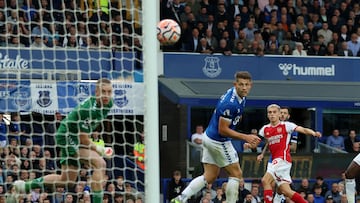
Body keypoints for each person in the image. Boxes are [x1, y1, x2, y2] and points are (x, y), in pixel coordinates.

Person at [13, 78, 114, 203]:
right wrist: (100, 149)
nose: (107, 95)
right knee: (100, 163)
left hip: (76, 136)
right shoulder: (87, 110)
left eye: (109, 92)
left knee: (67, 180)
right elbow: (83, 139)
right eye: (103, 92)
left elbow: (84, 135)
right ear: (97, 92)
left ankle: (24, 186)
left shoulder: (109, 104)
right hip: (67, 135)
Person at [171, 71, 261, 203]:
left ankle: (180, 198)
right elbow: (223, 130)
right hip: (218, 141)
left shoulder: (239, 96)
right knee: (236, 174)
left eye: (246, 84)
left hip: (209, 137)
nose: (244, 87)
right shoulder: (230, 104)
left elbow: (233, 118)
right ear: (235, 84)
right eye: (241, 84)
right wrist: (245, 137)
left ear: (251, 85)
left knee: (210, 176)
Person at [258, 104, 321, 203]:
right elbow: (264, 142)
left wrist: (313, 133)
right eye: (270, 112)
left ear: (279, 114)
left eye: (274, 112)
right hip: (274, 160)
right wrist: (250, 146)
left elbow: (303, 129)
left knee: (265, 180)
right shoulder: (265, 129)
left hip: (282, 159)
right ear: (267, 115)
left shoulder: (286, 126)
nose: (272, 114)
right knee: (286, 191)